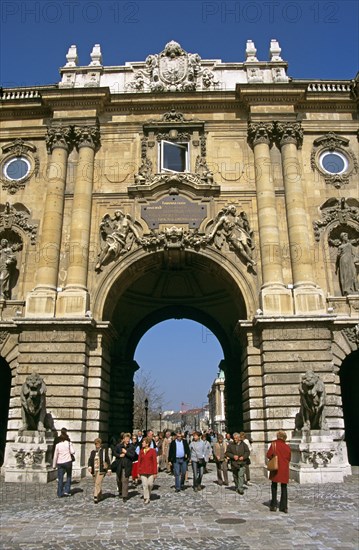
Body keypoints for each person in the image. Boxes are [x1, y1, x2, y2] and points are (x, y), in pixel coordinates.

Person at [266, 430, 291, 513]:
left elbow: (268, 455)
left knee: (274, 486)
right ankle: (284, 506)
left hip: (276, 467)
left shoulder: (274, 444)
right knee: (284, 487)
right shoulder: (287, 446)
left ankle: (273, 505)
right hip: (284, 468)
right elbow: (289, 458)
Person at [113, 432, 136, 502]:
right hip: (119, 465)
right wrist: (119, 455)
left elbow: (133, 456)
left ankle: (124, 496)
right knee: (118, 480)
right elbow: (114, 453)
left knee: (125, 480)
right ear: (123, 439)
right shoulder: (118, 446)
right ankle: (120, 491)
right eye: (126, 438)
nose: (128, 440)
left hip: (127, 466)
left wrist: (126, 452)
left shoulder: (131, 447)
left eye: (128, 438)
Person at [52, 429, 75, 498]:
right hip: (68, 462)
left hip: (60, 462)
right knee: (68, 477)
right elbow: (73, 452)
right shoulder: (68, 443)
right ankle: (66, 491)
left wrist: (54, 465)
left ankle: (59, 493)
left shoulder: (58, 445)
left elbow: (55, 455)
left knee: (60, 478)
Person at [87, 438, 110, 503]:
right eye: (96, 444)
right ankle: (100, 495)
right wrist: (89, 466)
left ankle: (95, 496)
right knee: (97, 483)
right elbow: (90, 460)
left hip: (101, 470)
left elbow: (107, 460)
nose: (97, 445)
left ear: (100, 444)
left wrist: (109, 469)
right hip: (94, 470)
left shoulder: (103, 452)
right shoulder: (93, 452)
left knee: (97, 483)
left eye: (98, 444)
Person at [138, 436, 158, 504]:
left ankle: (148, 494)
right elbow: (139, 461)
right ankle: (146, 497)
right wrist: (138, 472)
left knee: (150, 484)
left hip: (151, 471)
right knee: (145, 485)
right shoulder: (141, 451)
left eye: (143, 442)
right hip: (143, 471)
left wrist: (155, 472)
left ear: (147, 443)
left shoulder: (152, 451)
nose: (142, 444)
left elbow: (155, 462)